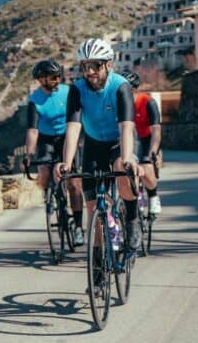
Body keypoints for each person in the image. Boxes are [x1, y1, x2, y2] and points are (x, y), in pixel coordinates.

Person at [55, 38, 141, 258]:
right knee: (93, 208)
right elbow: (73, 129)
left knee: (122, 166)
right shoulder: (77, 89)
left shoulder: (120, 86)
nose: (90, 71)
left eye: (95, 65)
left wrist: (128, 158)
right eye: (85, 66)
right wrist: (66, 162)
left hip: (119, 142)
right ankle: (98, 260)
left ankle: (131, 218)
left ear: (108, 65)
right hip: (93, 146)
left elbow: (126, 128)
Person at [22, 59, 85, 245]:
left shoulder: (68, 92)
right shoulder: (35, 101)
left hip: (68, 138)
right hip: (47, 140)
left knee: (74, 184)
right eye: (53, 77)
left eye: (59, 76)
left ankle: (79, 227)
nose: (58, 79)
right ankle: (49, 193)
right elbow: (33, 131)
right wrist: (28, 154)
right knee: (43, 170)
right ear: (41, 80)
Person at [123, 70, 162, 215]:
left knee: (145, 166)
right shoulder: (118, 104)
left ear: (133, 89)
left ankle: (153, 195)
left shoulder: (147, 101)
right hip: (129, 139)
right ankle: (135, 193)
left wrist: (153, 151)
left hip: (146, 138)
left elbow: (156, 130)